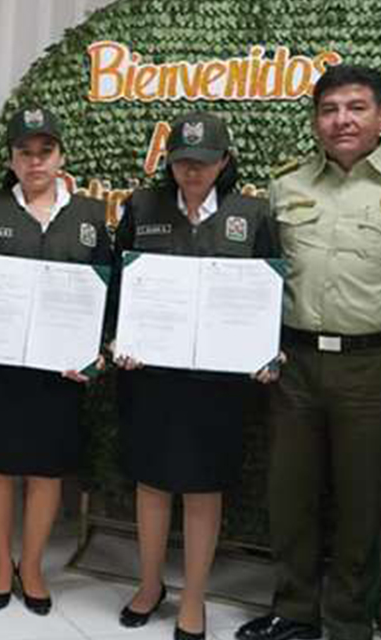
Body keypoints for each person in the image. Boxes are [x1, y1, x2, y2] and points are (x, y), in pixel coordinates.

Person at [112, 112, 280, 640]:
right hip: (152, 376)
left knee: (204, 487)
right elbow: (120, 281)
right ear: (169, 162)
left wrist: (267, 352)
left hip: (217, 384)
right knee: (153, 482)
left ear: (223, 162)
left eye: (203, 163)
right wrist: (120, 339)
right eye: (182, 161)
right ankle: (148, 585)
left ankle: (194, 598)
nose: (192, 172)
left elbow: (269, 293)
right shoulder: (143, 207)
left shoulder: (250, 215)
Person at [0, 107, 111, 616]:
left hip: (58, 369)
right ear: (12, 159)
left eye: (45, 151)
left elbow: (108, 285)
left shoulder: (88, 215)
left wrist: (97, 348)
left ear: (61, 156)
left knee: (45, 471)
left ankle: (33, 566)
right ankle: (1, 562)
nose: (35, 161)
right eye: (25, 152)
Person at [236, 64, 381, 640]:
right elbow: (261, 278)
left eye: (356, 107)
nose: (341, 119)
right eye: (329, 109)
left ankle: (348, 619)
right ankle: (294, 611)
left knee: (361, 499)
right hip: (293, 364)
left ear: (378, 116)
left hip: (368, 366)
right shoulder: (288, 186)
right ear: (316, 120)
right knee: (290, 494)